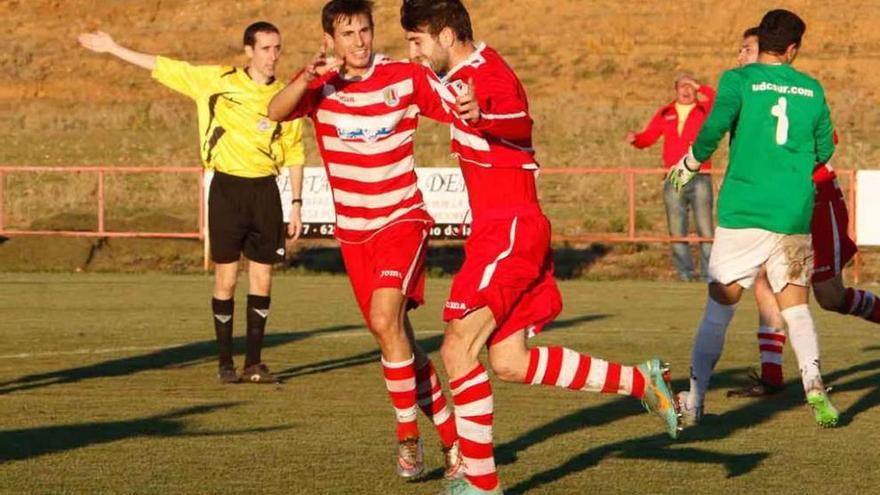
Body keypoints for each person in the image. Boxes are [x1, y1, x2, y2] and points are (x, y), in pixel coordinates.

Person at [400, 1, 680, 493]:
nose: (414, 51)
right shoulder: (455, 74)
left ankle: (480, 484)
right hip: (508, 231)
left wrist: (484, 116)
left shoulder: (490, 75)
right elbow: (417, 87)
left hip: (509, 230)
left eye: (417, 40)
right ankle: (642, 382)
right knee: (509, 362)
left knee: (457, 348)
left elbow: (518, 122)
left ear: (445, 35)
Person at [266, 0, 462, 481]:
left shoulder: (404, 76)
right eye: (348, 33)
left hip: (401, 219)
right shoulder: (319, 83)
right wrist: (305, 77)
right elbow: (273, 111)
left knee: (382, 319)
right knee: (397, 341)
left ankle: (408, 441)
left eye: (365, 31)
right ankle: (457, 444)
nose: (359, 41)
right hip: (354, 235)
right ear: (329, 40)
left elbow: (458, 109)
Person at [78, 23, 305, 384]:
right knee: (227, 279)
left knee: (262, 278)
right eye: (265, 48)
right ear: (248, 51)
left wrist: (295, 202)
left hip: (266, 193)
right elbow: (162, 66)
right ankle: (226, 363)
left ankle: (254, 364)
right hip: (227, 190)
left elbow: (294, 151)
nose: (272, 56)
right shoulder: (216, 81)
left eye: (277, 48)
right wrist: (113, 47)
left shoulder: (285, 96)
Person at [668, 9, 840, 427]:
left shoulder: (738, 80)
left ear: (760, 40)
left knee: (719, 310)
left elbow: (713, 128)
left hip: (745, 208)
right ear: (794, 49)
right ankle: (814, 385)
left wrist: (689, 162)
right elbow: (824, 148)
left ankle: (696, 399)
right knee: (796, 306)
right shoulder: (812, 89)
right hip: (792, 211)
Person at [728, 26, 880, 398]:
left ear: (766, 53)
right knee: (765, 281)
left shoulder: (797, 92)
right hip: (776, 205)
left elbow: (826, 143)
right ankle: (772, 375)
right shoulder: (743, 94)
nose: (740, 56)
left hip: (815, 199)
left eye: (746, 49)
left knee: (829, 296)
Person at [627, 74, 716, 281]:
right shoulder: (665, 113)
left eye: (690, 87)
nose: (686, 91)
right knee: (676, 228)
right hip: (674, 175)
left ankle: (708, 276)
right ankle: (684, 274)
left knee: (705, 228)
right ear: (675, 90)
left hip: (700, 172)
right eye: (682, 87)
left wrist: (701, 86)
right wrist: (636, 139)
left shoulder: (704, 110)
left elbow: (718, 101)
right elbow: (649, 136)